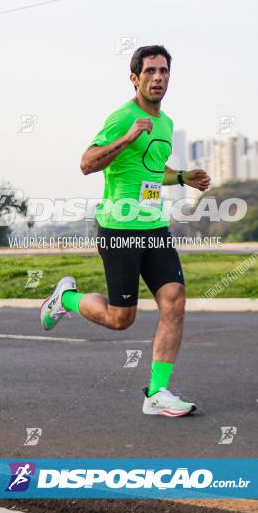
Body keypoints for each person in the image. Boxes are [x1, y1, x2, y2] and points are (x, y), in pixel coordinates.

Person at [40, 45, 211, 417]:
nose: (158, 78)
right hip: (119, 228)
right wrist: (128, 138)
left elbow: (152, 169)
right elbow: (87, 163)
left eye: (164, 71)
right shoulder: (122, 118)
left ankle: (157, 392)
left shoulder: (165, 122)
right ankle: (65, 299)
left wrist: (183, 177)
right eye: (149, 71)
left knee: (174, 299)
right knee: (121, 319)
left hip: (154, 225)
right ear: (134, 78)